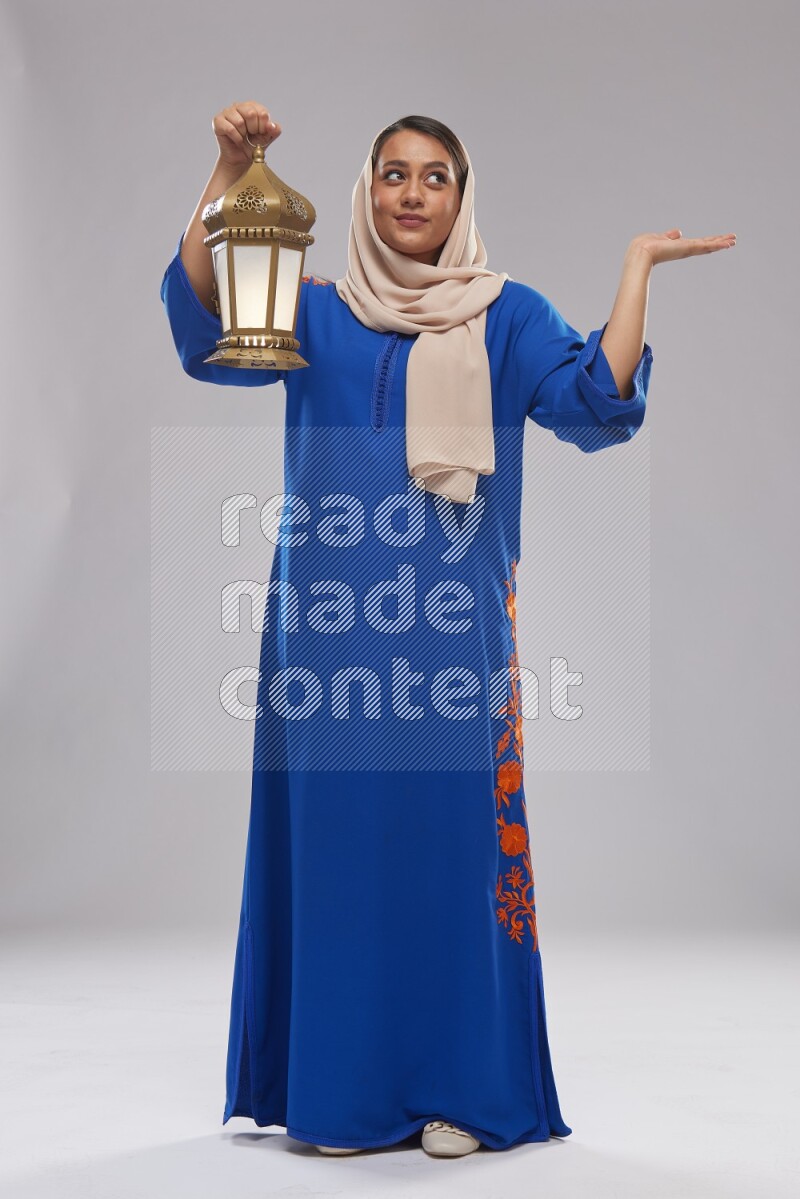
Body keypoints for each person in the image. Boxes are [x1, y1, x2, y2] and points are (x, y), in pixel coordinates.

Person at [160, 101, 735, 1158]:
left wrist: (635, 268)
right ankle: (337, 1090)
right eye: (393, 173)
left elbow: (596, 403)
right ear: (366, 191)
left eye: (434, 176)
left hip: (452, 633)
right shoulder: (314, 308)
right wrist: (228, 169)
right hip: (327, 632)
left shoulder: (503, 313)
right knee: (339, 850)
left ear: (460, 198)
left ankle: (459, 1093)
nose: (412, 192)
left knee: (445, 849)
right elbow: (206, 326)